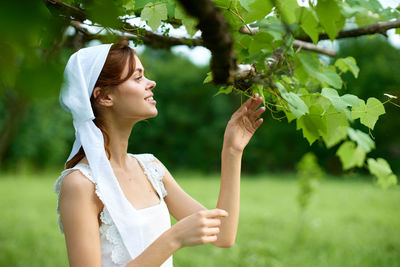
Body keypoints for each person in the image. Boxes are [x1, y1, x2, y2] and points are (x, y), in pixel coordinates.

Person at [54, 41, 265, 267]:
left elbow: (222, 234)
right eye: (137, 77)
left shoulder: (151, 167)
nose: (151, 83)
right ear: (104, 97)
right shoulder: (80, 184)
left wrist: (232, 151)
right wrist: (173, 238)